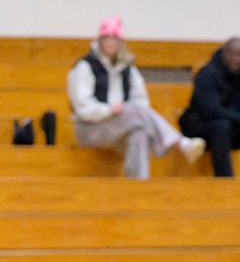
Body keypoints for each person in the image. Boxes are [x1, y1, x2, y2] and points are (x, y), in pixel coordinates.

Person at [68, 18, 203, 181]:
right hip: (90, 128)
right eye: (107, 38)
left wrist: (124, 111)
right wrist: (109, 110)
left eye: (114, 39)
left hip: (122, 125)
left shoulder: (128, 69)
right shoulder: (85, 67)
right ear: (100, 40)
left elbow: (141, 101)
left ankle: (137, 186)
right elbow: (82, 107)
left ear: (120, 42)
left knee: (140, 133)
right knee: (138, 115)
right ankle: (179, 143)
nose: (111, 43)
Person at [179, 38, 240, 179]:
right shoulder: (208, 74)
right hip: (198, 125)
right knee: (221, 127)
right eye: (235, 54)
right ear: (225, 54)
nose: (238, 59)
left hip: (229, 127)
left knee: (223, 127)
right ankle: (225, 182)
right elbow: (211, 110)